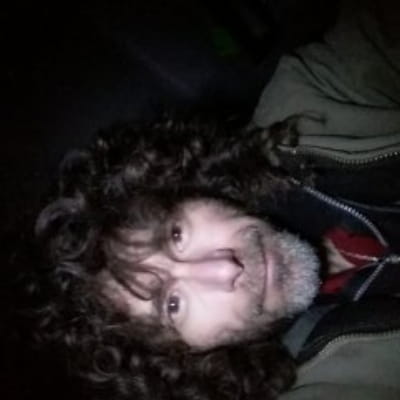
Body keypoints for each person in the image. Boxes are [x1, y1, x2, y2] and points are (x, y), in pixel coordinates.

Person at [17, 0, 400, 399]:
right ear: (185, 359)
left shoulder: (314, 100)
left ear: (184, 188)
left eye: (176, 235)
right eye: (173, 305)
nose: (223, 268)